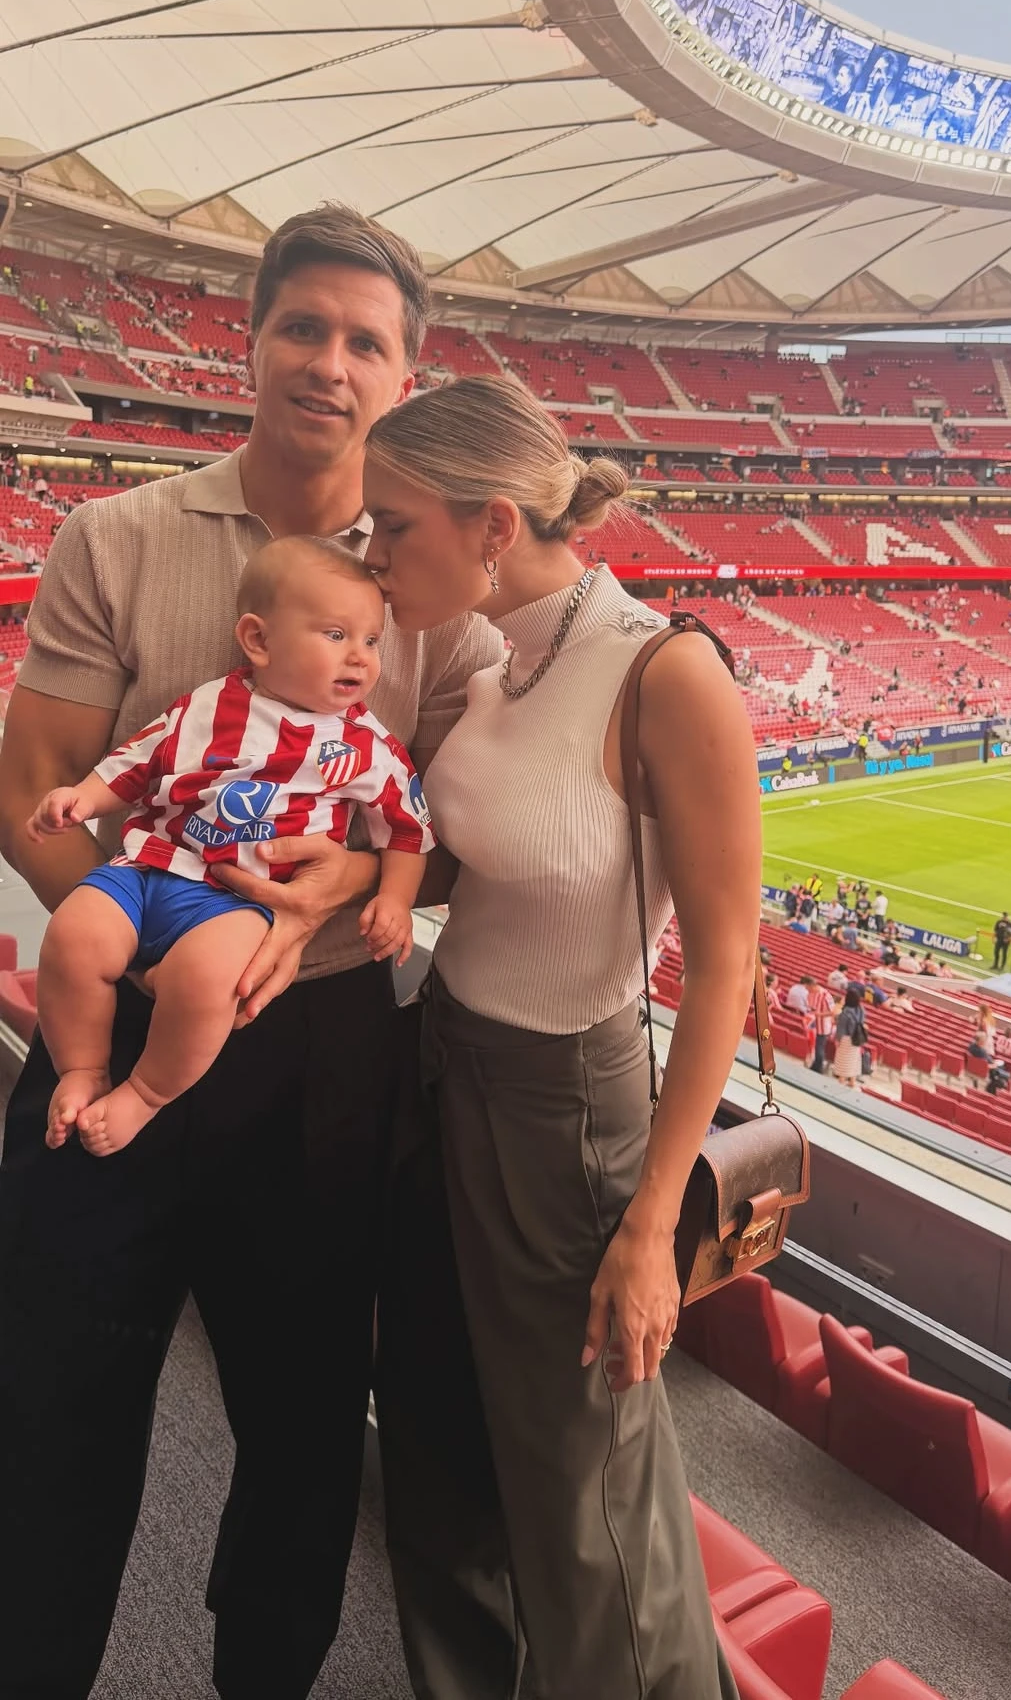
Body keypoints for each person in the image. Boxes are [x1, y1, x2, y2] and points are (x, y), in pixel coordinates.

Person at [0, 205, 502, 1700]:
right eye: (306, 326)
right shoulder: (121, 534)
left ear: (404, 378)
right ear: (252, 333)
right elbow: (36, 785)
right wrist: (172, 934)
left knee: (296, 1428)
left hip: (329, 1054)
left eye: (367, 342)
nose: (330, 363)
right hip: (128, 1005)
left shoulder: (434, 594)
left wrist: (346, 870)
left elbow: (466, 841)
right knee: (52, 1402)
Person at [363, 375, 758, 1698]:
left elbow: (725, 964)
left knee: (588, 1512)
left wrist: (651, 1227)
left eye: (392, 527)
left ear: (488, 524)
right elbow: (461, 861)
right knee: (435, 1449)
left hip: (562, 1116)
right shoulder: (494, 656)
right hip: (442, 1070)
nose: (374, 555)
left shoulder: (664, 667)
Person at [28, 540, 434, 1156]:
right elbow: (140, 761)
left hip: (236, 904)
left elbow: (407, 828)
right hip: (147, 865)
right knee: (72, 935)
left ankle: (143, 1094)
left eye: (372, 641)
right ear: (258, 640)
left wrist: (397, 898)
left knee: (213, 980)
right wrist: (82, 797)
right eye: (335, 634)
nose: (360, 656)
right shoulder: (206, 704)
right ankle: (83, 1068)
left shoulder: (368, 745)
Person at [833, 986, 869, 1087]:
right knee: (854, 1060)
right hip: (857, 1037)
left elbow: (841, 1029)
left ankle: (841, 1081)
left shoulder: (845, 1012)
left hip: (846, 1038)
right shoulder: (861, 1009)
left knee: (843, 1061)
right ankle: (852, 1081)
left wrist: (837, 1039)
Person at [807, 976, 836, 1073]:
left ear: (813, 986)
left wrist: (819, 1014)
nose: (808, 990)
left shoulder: (825, 995)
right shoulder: (811, 994)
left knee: (820, 1047)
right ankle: (816, 1065)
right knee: (816, 1046)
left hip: (823, 1026)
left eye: (808, 988)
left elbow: (832, 1012)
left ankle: (819, 1068)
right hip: (814, 1024)